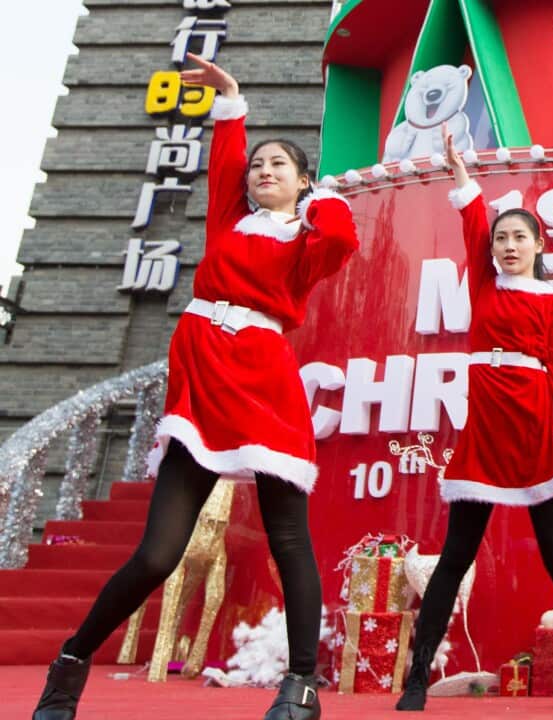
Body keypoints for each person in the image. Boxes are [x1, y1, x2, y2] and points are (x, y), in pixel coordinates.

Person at [32, 53, 358, 720]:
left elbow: (341, 237)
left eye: (280, 167)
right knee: (156, 554)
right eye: (259, 166)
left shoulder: (305, 241)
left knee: (288, 538)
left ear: (303, 183)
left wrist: (321, 195)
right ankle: (70, 663)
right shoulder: (227, 223)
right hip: (205, 383)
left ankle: (300, 686)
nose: (264, 172)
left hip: (265, 384)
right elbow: (226, 155)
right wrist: (232, 97)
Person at [395, 126, 553, 715]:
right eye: (502, 238)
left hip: (536, 428)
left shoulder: (550, 301)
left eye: (520, 237)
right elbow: (472, 221)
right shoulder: (484, 282)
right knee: (455, 556)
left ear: (539, 244)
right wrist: (462, 175)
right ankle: (416, 679)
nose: (508, 245)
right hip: (486, 433)